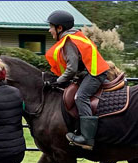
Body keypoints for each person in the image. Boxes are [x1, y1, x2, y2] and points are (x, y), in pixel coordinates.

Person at [45, 10, 110, 150]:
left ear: (59, 28)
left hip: (95, 74)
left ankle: (87, 138)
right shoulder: (76, 36)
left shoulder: (69, 41)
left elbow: (71, 69)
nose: (49, 30)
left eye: (51, 27)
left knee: (81, 96)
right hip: (91, 73)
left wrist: (58, 81)